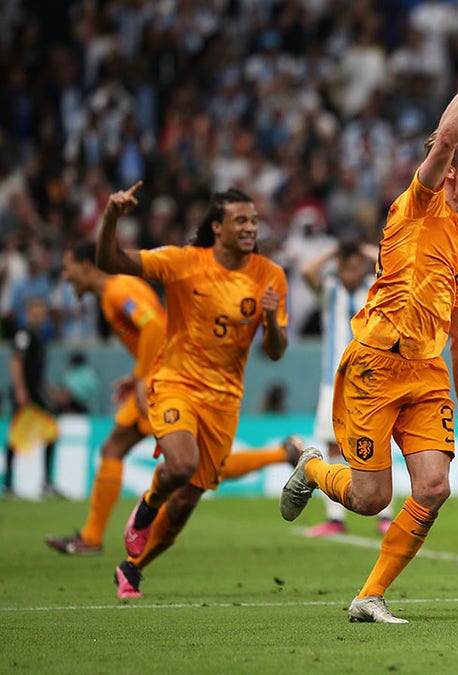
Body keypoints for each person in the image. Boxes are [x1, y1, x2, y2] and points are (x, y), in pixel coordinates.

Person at [279, 34, 458, 625]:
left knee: (433, 488)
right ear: (450, 169)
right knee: (369, 497)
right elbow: (451, 135)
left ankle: (369, 595)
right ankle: (313, 467)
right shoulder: (419, 205)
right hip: (376, 365)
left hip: (427, 374)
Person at [45, 242, 302, 556]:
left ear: (87, 265)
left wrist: (141, 375)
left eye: (68, 266)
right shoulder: (114, 292)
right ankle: (91, 536)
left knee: (189, 467)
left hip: (167, 381)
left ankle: (93, 536)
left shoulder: (118, 290)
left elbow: (153, 325)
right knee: (132, 451)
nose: (65, 275)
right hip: (163, 374)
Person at [97, 182, 289, 598]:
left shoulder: (270, 276)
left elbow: (275, 352)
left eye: (254, 221)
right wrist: (112, 216)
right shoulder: (183, 262)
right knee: (181, 465)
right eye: (240, 220)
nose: (250, 228)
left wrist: (272, 322)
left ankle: (132, 568)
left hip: (224, 400)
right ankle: (147, 505)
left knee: (185, 503)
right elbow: (109, 259)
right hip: (175, 383)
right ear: (217, 227)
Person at [298, 240, 395, 538]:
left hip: (370, 381)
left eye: (354, 267)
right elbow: (306, 271)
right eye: (345, 267)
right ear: (338, 267)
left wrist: (364, 250)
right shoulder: (329, 291)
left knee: (379, 442)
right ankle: (335, 518)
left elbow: (391, 267)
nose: (350, 273)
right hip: (333, 382)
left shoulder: (372, 288)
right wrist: (334, 250)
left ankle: (386, 515)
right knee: (331, 446)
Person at [4, 296, 58, 498]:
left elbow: (36, 368)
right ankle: (15, 484)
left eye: (42, 311)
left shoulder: (37, 335)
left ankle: (41, 482)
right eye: (37, 311)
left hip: (34, 391)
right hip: (27, 393)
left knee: (48, 432)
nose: (41, 315)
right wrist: (20, 390)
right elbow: (16, 360)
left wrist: (48, 388)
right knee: (20, 436)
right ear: (29, 312)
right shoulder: (24, 334)